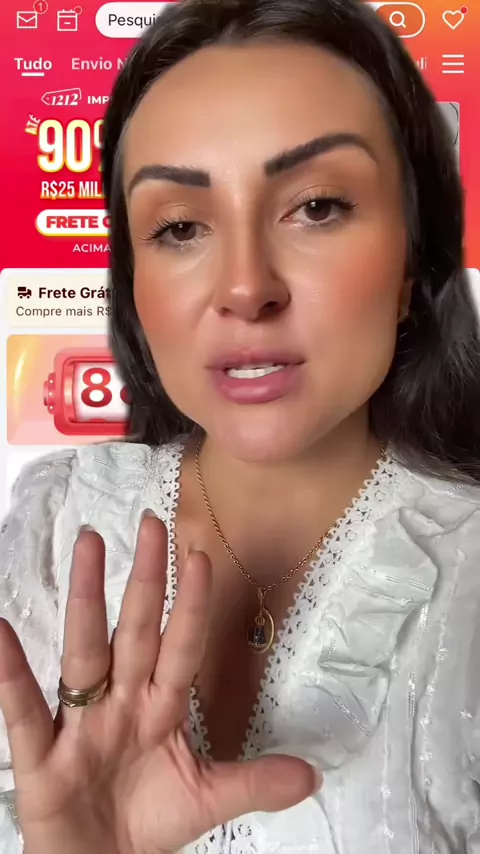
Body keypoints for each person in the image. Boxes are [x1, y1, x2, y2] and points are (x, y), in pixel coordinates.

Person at [1, 0, 480, 851]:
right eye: (180, 227)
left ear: (413, 264)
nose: (247, 287)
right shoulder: (56, 527)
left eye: (318, 206)